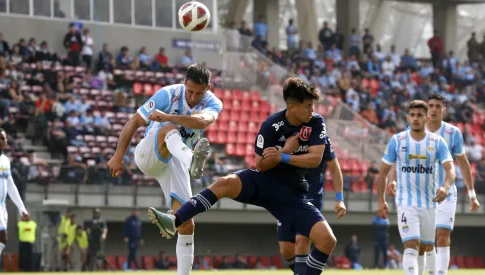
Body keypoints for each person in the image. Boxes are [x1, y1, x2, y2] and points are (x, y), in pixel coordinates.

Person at [148, 77, 346, 275]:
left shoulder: (316, 122)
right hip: (264, 181)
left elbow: (315, 159)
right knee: (224, 183)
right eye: (308, 106)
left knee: (328, 241)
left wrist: (283, 155)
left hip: (292, 193)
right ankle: (174, 221)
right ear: (292, 107)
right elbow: (260, 164)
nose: (312, 110)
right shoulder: (271, 125)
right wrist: (282, 153)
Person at [107, 64, 222, 275]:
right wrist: (117, 156)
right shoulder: (168, 94)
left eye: (199, 92)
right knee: (168, 129)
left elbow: (202, 121)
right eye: (190, 91)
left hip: (174, 159)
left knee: (187, 222)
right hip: (149, 154)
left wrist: (169, 116)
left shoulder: (213, 101)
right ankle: (192, 161)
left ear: (208, 87)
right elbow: (134, 121)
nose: (194, 97)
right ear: (184, 83)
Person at [388, 94, 480, 274]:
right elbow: (399, 159)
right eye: (431, 106)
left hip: (446, 193)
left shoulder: (453, 133)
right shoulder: (412, 130)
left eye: (438, 106)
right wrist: (393, 179)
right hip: (420, 194)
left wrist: (472, 194)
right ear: (426, 110)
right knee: (423, 243)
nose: (434, 109)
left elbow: (462, 164)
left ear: (444, 110)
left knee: (443, 235)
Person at [376, 100, 455, 275]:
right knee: (411, 244)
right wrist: (381, 201)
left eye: (420, 115)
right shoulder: (397, 141)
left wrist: (446, 186)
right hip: (405, 202)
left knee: (426, 246)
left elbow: (451, 170)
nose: (416, 119)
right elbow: (383, 172)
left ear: (427, 118)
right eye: (413, 115)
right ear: (408, 118)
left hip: (429, 203)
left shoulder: (437, 142)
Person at [277, 135, 344, 274]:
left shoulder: (321, 137)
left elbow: (334, 166)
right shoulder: (284, 133)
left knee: (302, 240)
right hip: (288, 195)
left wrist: (340, 199)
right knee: (286, 249)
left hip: (311, 195)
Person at [0, 128, 29, 269]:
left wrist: (22, 208)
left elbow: (10, 185)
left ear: (6, 142)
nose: (0, 141)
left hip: (2, 206)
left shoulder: (5, 161)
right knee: (1, 237)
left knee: (0, 242)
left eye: (2, 139)